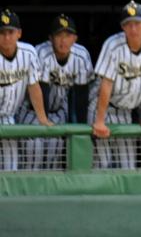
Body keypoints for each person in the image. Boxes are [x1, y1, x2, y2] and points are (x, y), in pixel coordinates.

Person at [91, 1, 141, 169]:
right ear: (122, 27)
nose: (133, 29)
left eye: (137, 23)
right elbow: (106, 84)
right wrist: (100, 120)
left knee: (128, 166)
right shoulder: (113, 45)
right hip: (101, 106)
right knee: (102, 162)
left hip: (125, 110)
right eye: (128, 24)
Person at [17, 14, 93, 170]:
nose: (63, 40)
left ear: (75, 38)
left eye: (68, 35)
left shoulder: (81, 55)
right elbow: (41, 90)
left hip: (58, 111)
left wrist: (81, 128)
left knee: (54, 156)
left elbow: (81, 94)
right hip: (32, 111)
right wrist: (44, 121)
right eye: (59, 35)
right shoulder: (41, 52)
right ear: (50, 38)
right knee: (34, 152)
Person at [0, 9, 51, 170]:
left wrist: (42, 118)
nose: (6, 37)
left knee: (11, 167)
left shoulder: (28, 53)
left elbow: (34, 86)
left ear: (19, 34)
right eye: (2, 32)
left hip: (8, 117)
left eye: (10, 32)